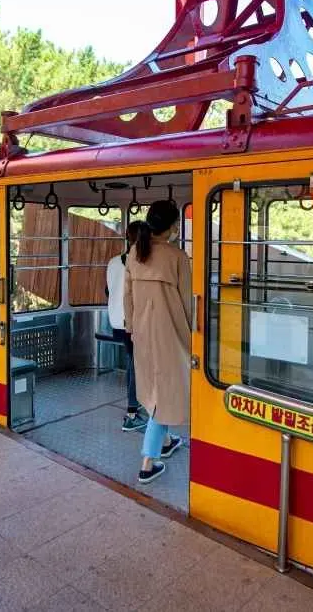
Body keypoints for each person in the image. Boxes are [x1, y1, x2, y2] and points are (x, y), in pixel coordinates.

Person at [124, 200, 191, 484]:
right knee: (165, 391)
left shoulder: (133, 254)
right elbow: (189, 302)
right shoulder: (177, 256)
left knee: (153, 386)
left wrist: (131, 326)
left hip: (141, 332)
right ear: (173, 226)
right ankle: (147, 462)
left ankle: (167, 442)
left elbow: (127, 299)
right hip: (171, 332)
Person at [107, 221, 149, 432]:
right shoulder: (141, 264)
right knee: (136, 364)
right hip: (133, 321)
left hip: (115, 321)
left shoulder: (113, 262)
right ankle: (132, 413)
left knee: (134, 361)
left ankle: (139, 404)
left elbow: (108, 291)